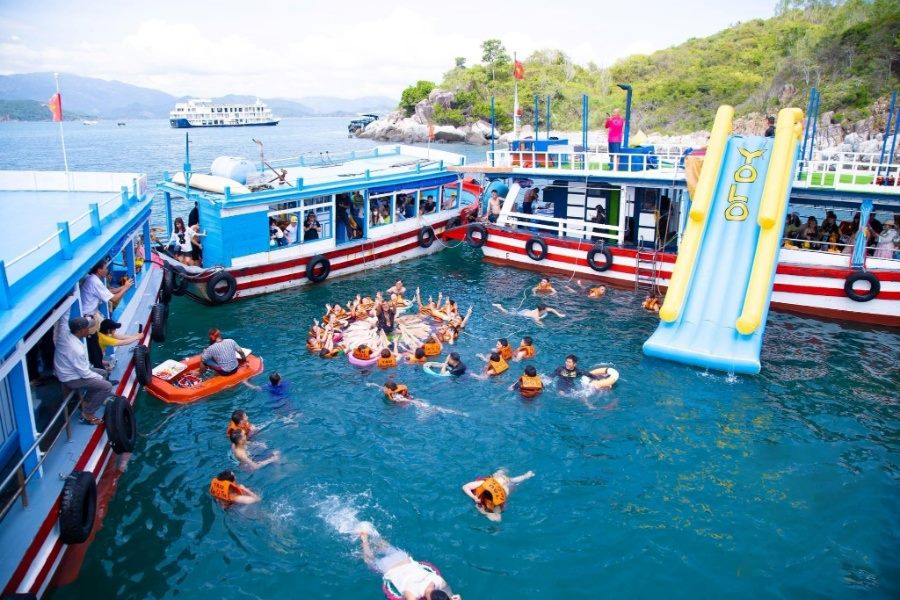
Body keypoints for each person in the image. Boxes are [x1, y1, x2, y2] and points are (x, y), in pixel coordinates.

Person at [358, 530, 460, 600]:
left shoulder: (438, 580)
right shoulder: (413, 594)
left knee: (387, 547)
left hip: (403, 559)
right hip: (389, 568)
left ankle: (373, 534)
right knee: (369, 562)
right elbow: (449, 593)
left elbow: (449, 594)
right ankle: (364, 539)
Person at [54, 316, 113, 425]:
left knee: (103, 372)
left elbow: (63, 321)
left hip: (68, 371)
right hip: (72, 378)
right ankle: (88, 413)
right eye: (87, 327)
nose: (89, 329)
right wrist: (100, 379)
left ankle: (87, 402)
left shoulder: (65, 335)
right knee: (106, 386)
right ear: (80, 330)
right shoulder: (76, 349)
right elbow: (85, 374)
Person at [81, 259, 133, 368]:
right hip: (89, 318)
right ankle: (98, 365)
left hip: (93, 314)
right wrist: (126, 288)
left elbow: (109, 291)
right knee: (94, 344)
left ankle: (99, 360)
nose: (107, 270)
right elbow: (114, 299)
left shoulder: (92, 279)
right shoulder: (95, 282)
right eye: (105, 268)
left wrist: (124, 287)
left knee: (96, 341)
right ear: (99, 270)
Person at [461, 469, 535, 522]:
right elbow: (465, 487)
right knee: (512, 479)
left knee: (512, 481)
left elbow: (498, 519)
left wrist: (483, 511)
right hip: (502, 480)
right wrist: (473, 497)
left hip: (505, 483)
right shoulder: (483, 484)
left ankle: (525, 476)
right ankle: (524, 476)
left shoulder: (496, 501)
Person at [491, 302, 565, 327]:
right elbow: (539, 323)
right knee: (507, 314)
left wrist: (559, 315)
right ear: (542, 310)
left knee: (510, 312)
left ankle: (500, 307)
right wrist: (544, 325)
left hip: (526, 311)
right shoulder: (535, 316)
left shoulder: (540, 309)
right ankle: (499, 307)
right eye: (545, 309)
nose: (546, 310)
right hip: (522, 314)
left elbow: (551, 309)